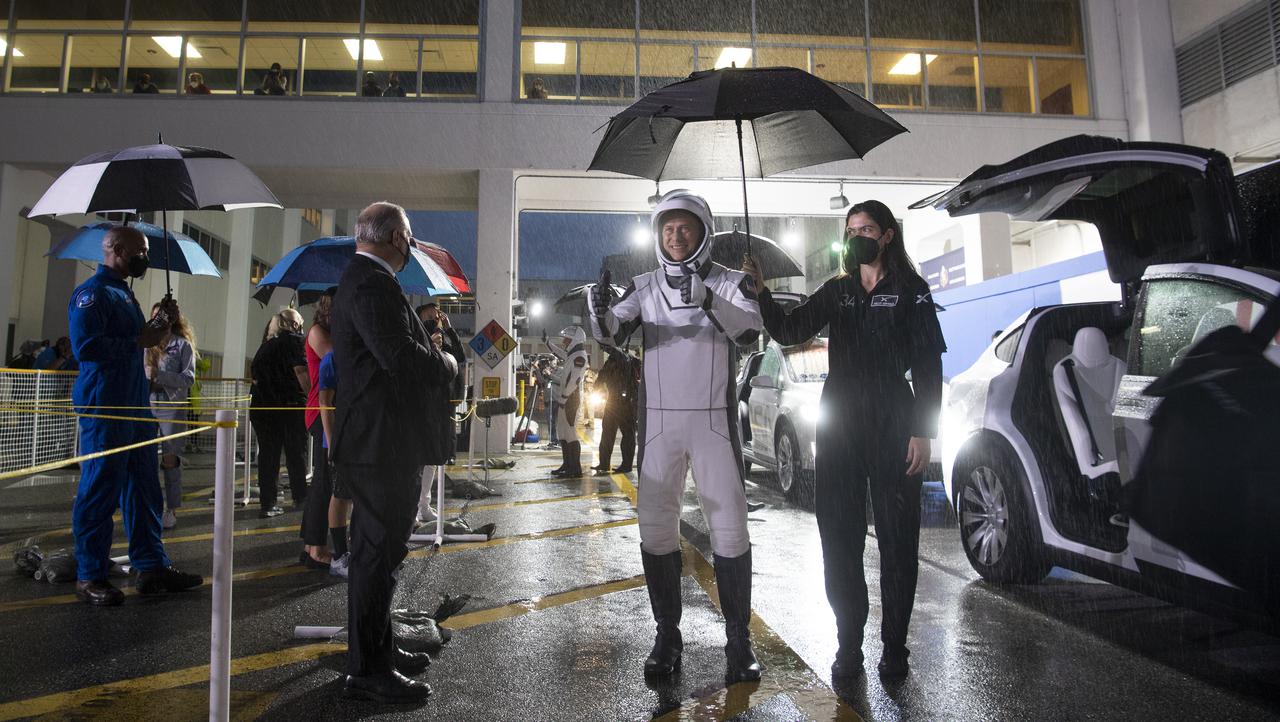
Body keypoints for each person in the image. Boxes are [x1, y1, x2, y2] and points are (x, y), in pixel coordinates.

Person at [742, 200, 946, 681]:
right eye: (851, 229)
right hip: (841, 428)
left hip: (895, 424)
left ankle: (894, 647)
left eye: (867, 229)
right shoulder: (838, 291)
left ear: (888, 235)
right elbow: (791, 329)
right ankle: (848, 643)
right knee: (838, 538)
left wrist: (924, 430)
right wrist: (762, 294)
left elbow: (929, 366)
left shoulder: (912, 291)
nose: (858, 237)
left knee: (898, 542)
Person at [587, 189, 763, 682]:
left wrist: (708, 298)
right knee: (655, 529)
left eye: (685, 228)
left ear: (703, 231)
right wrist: (597, 310)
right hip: (660, 425)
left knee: (730, 529)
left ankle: (738, 640)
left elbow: (751, 333)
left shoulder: (731, 281)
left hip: (713, 424)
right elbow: (611, 332)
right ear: (658, 235)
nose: (676, 236)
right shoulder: (643, 287)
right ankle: (667, 635)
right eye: (667, 229)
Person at [330, 201, 457, 702]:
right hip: (381, 441)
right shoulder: (371, 283)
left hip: (378, 439)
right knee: (376, 556)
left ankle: (377, 651)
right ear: (396, 239)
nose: (410, 246)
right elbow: (399, 357)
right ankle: (367, 671)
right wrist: (444, 361)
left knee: (380, 555)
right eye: (408, 237)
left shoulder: (366, 280)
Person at [68, 226, 202, 606]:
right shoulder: (92, 294)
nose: (145, 257)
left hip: (135, 406)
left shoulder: (125, 293)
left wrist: (160, 326)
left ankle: (151, 565)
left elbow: (140, 343)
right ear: (116, 249)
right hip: (106, 407)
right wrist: (141, 338)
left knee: (145, 488)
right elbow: (87, 347)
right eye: (140, 251)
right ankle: (90, 574)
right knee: (99, 491)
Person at [250, 308, 310, 518]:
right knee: (296, 453)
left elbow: (255, 377)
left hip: (262, 408)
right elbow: (301, 371)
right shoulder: (295, 341)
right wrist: (312, 396)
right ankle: (300, 497)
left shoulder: (265, 346)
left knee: (268, 456)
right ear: (294, 325)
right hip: (289, 406)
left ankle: (268, 503)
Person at [145, 304, 197, 531]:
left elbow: (188, 378)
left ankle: (171, 508)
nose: (157, 320)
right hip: (146, 403)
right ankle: (148, 506)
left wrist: (161, 376)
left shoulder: (182, 345)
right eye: (154, 316)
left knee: (170, 459)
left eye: (161, 316)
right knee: (145, 458)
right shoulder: (146, 344)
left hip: (171, 406)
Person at [414, 302, 465, 524]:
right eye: (430, 316)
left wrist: (450, 329)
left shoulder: (443, 337)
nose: (435, 319)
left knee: (434, 456)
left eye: (437, 316)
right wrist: (430, 347)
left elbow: (460, 356)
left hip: (442, 404)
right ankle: (413, 508)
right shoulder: (416, 336)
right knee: (419, 458)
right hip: (422, 404)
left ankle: (425, 504)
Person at [300, 289, 337, 569]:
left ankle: (310, 543)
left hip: (335, 411)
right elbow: (339, 363)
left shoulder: (332, 331)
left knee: (326, 479)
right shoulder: (317, 332)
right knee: (324, 480)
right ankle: (316, 547)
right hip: (321, 412)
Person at [315, 349, 353, 578]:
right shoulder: (333, 358)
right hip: (341, 440)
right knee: (340, 496)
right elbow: (324, 401)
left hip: (364, 438)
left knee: (361, 498)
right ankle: (340, 556)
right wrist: (332, 444)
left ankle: (358, 551)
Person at [544, 326, 588, 477]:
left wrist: (564, 397)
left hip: (571, 399)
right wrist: (548, 343)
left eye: (567, 339)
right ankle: (567, 465)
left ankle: (575, 469)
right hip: (566, 398)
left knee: (570, 432)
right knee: (562, 432)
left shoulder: (580, 356)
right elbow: (561, 353)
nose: (564, 341)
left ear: (574, 339)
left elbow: (574, 381)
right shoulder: (574, 355)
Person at [592, 345, 638, 474]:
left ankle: (626, 465)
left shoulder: (626, 358)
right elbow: (603, 374)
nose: (604, 350)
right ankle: (604, 463)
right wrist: (597, 386)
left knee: (628, 434)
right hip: (613, 401)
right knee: (607, 432)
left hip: (627, 402)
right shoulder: (612, 359)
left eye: (606, 348)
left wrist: (609, 344)